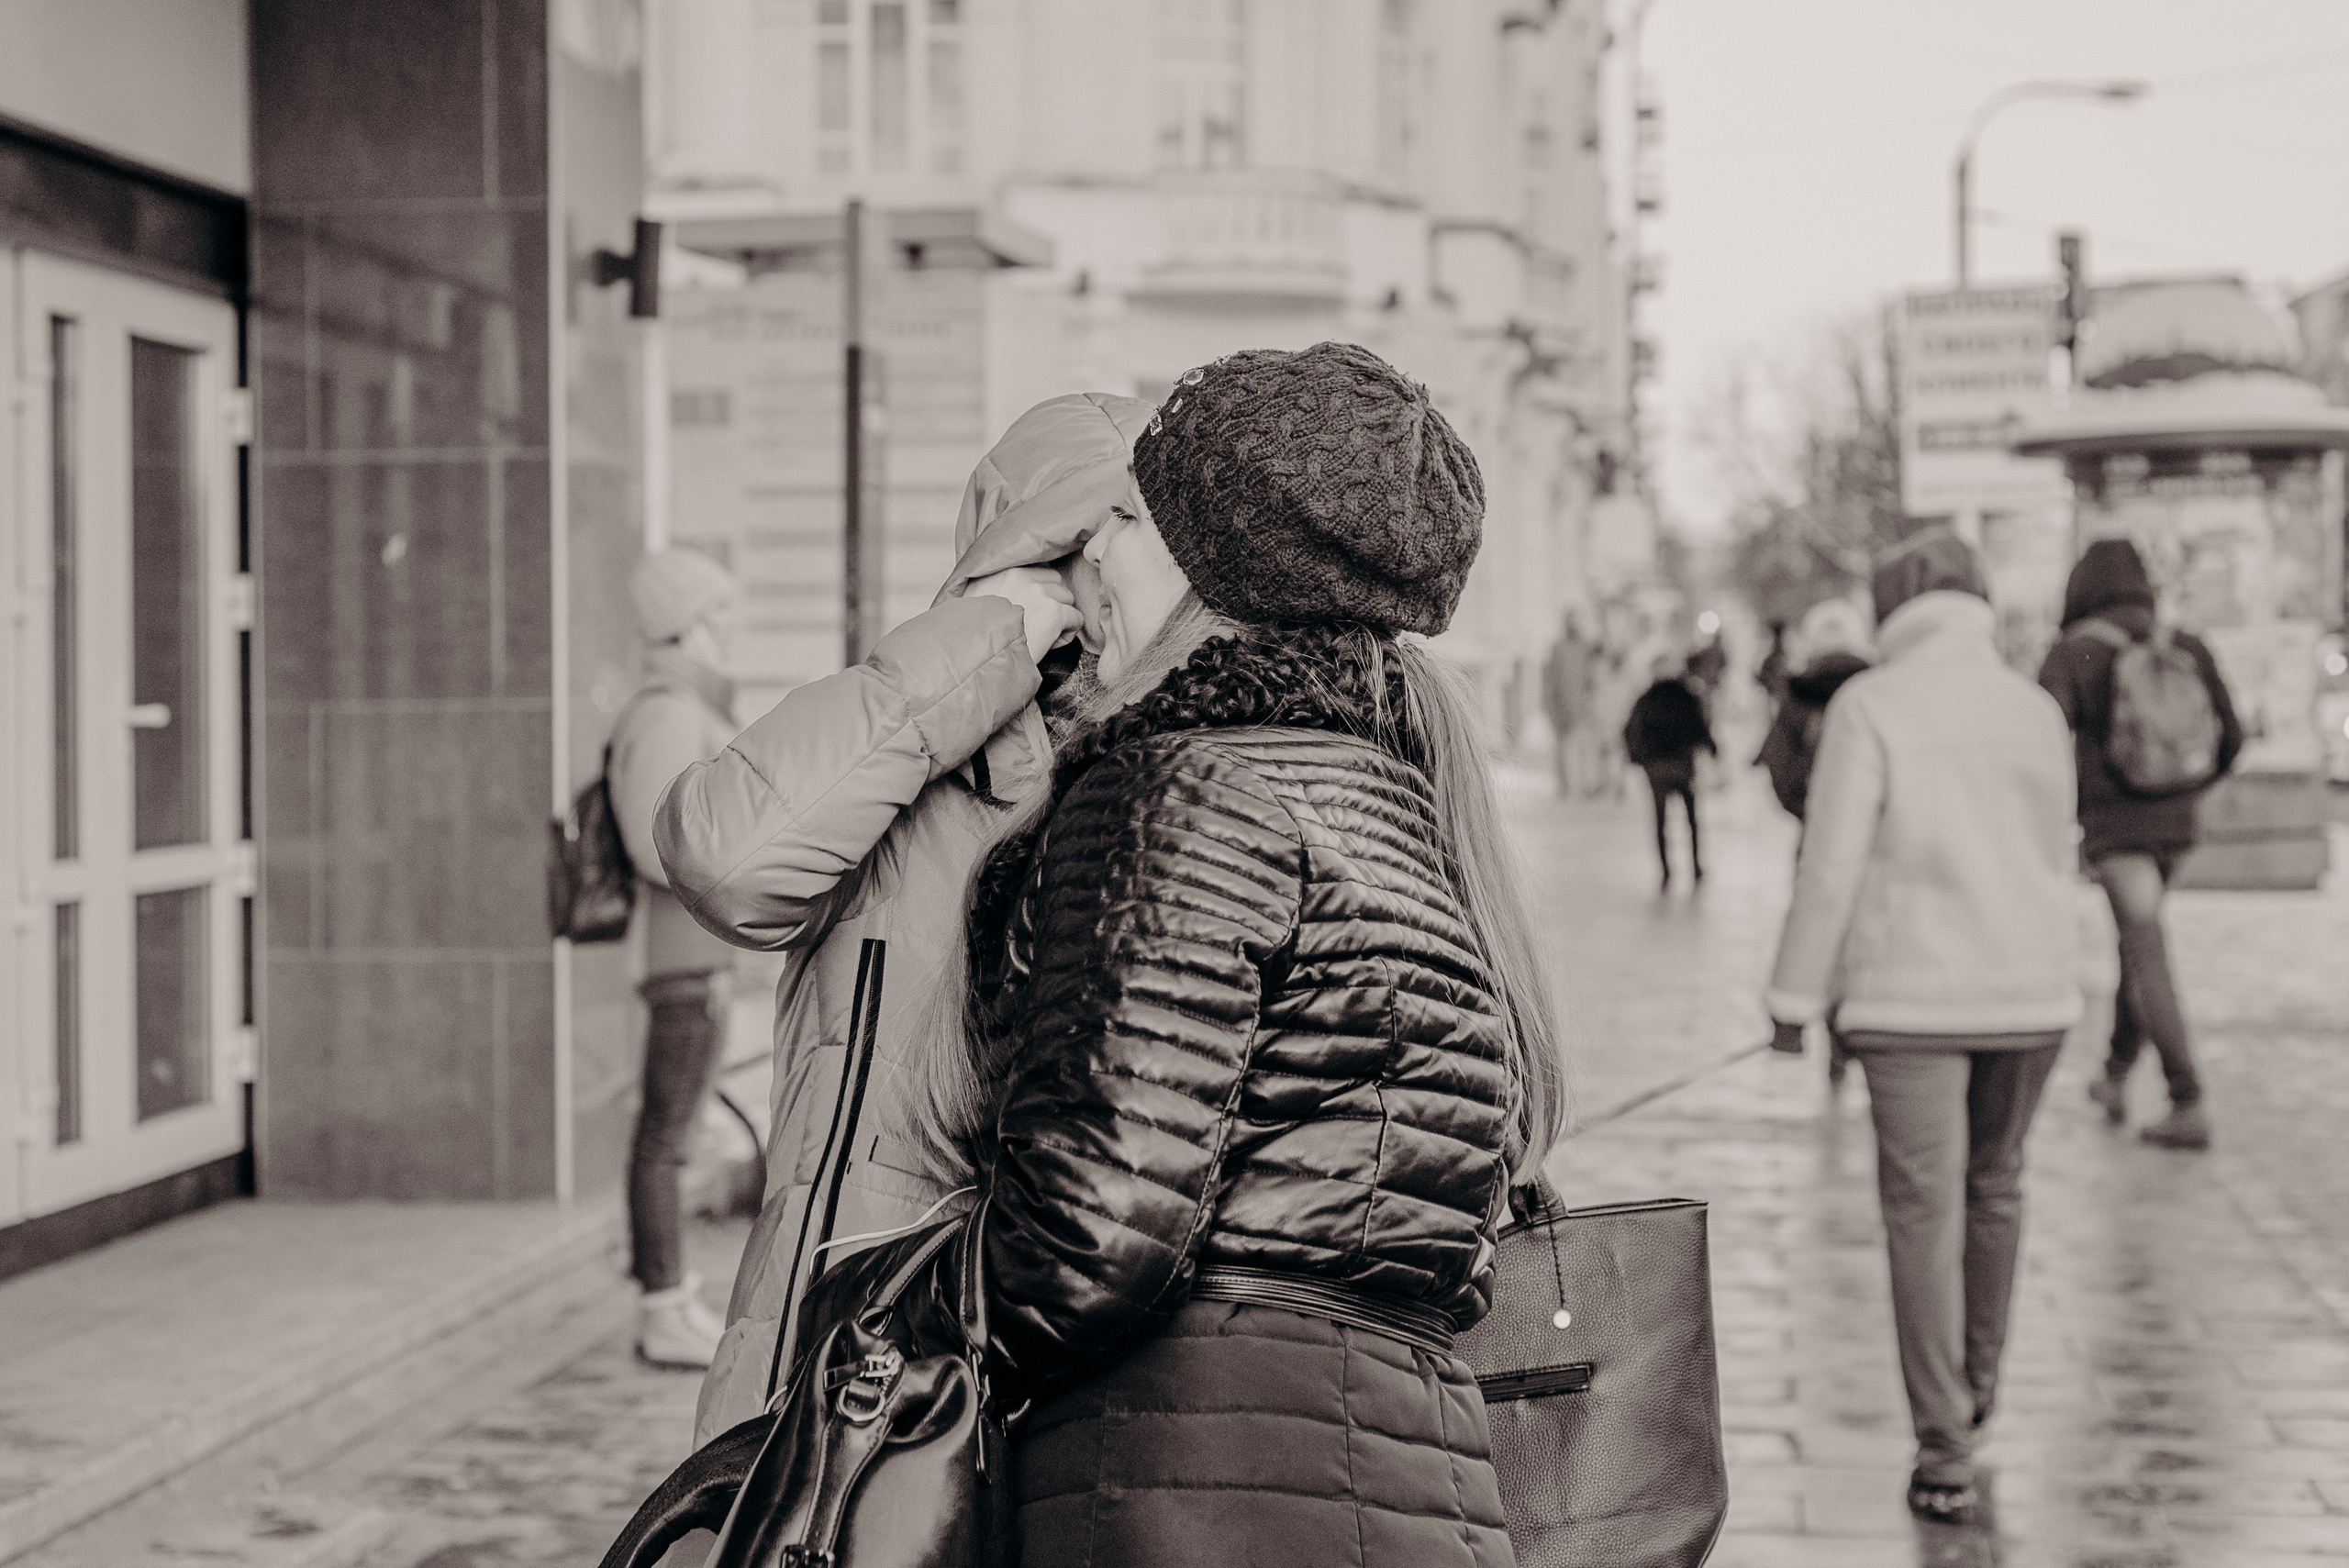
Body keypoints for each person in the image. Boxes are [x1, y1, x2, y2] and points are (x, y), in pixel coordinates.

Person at [923, 342, 1564, 1568]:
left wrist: (908, 1317)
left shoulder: (1186, 790)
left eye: (1132, 516)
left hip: (1192, 1475)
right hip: (1398, 1465)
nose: (1099, 557)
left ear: (1196, 557)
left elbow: (1090, 1231)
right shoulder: (1384, 790)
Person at [653, 393, 1156, 1443]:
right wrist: (982, 640)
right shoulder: (911, 773)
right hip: (843, 1372)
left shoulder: (1188, 771)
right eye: (1089, 541)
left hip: (1078, 1385)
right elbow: (724, 855)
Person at [1763, 529, 2079, 1526]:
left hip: (1908, 1000)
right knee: (1996, 1188)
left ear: (1893, 606)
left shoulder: (1871, 704)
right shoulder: (2034, 707)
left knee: (1921, 1211)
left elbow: (1831, 862)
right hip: (2032, 997)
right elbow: (2054, 849)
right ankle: (1973, 1395)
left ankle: (1943, 1442)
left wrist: (1791, 1001)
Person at [2037, 538, 2241, 1151]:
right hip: (2176, 828)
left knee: (2146, 952)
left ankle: (2188, 1097)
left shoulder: (2072, 654)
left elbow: (2040, 746)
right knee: (2138, 945)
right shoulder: (2185, 645)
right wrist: (2184, 789)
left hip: (2116, 831)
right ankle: (2115, 1072)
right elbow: (2230, 736)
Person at [607, 548, 745, 1368]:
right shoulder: (667, 708)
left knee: (674, 1134)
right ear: (687, 621)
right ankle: (661, 1302)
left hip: (693, 955)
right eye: (720, 610)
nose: (731, 625)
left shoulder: (683, 701)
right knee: (664, 1137)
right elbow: (657, 843)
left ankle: (671, 1296)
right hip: (680, 958)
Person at [1624, 653, 1717, 887]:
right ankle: (1695, 866)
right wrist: (1711, 749)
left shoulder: (1646, 699)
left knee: (1660, 820)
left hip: (1656, 768)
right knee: (1691, 819)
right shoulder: (1687, 696)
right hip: (1682, 766)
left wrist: (1639, 758)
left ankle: (1666, 871)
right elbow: (1700, 728)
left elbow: (1629, 730)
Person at [1541, 612, 1596, 796]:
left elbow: (1591, 679)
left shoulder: (1586, 648)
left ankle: (1586, 785)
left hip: (1582, 709)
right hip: (1563, 710)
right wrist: (1553, 708)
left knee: (1584, 750)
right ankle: (1566, 786)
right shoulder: (1558, 648)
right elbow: (1551, 681)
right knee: (1564, 751)